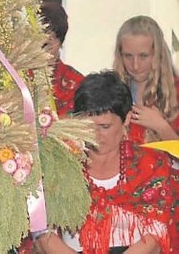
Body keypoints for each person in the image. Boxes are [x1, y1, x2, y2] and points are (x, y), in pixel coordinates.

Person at [33, 71, 177, 254]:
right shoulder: (60, 167)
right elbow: (42, 232)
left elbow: (156, 234)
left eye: (105, 127)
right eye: (87, 126)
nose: (95, 136)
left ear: (126, 118)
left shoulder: (151, 165)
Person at [112, 15, 179, 143]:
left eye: (143, 56)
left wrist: (161, 127)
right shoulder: (111, 92)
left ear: (158, 54)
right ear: (119, 55)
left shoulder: (177, 91)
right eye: (128, 56)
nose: (135, 65)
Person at [40, 2, 84, 117]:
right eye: (41, 38)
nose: (45, 47)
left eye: (52, 40)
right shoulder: (18, 78)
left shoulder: (77, 83)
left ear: (60, 42)